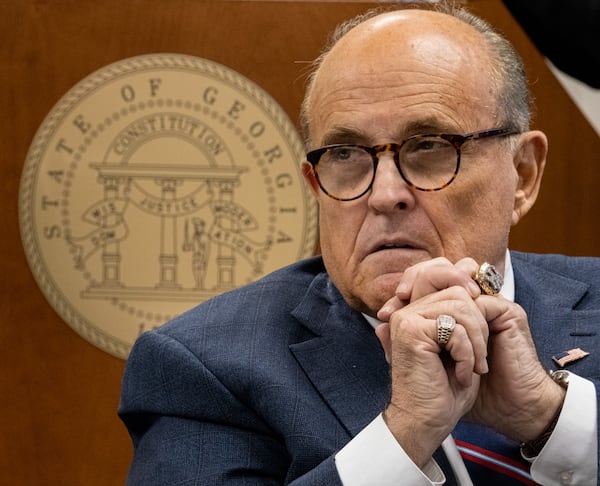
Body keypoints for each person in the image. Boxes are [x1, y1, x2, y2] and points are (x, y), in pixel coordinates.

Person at [118, 3, 600, 485]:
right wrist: (403, 438)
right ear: (315, 184)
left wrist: (553, 418)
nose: (385, 194)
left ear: (522, 175)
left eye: (430, 145)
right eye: (345, 154)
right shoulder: (203, 367)